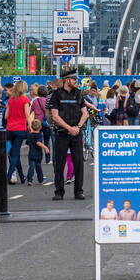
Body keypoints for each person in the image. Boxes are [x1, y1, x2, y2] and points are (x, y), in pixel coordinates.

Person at [47, 69, 89, 200]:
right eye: (74, 79)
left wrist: (78, 127)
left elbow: (85, 113)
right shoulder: (57, 95)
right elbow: (55, 116)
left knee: (79, 162)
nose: (76, 81)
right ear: (66, 80)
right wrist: (69, 128)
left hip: (76, 132)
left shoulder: (78, 94)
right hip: (62, 133)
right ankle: (59, 192)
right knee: (60, 163)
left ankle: (78, 191)